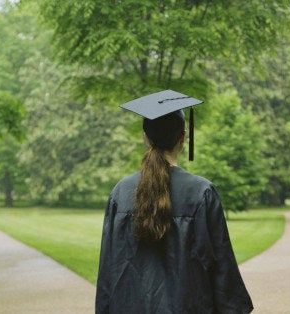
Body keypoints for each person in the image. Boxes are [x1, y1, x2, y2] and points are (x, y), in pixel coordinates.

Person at [96, 90, 253, 313]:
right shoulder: (201, 193)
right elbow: (221, 270)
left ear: (145, 137)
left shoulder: (120, 194)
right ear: (183, 136)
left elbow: (108, 272)